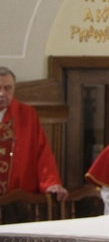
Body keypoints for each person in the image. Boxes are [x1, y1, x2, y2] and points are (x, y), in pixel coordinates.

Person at [0, 67, 68, 204]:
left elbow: (42, 153)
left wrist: (51, 183)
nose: (2, 93)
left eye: (7, 88)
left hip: (19, 200)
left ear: (14, 89)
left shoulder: (26, 114)